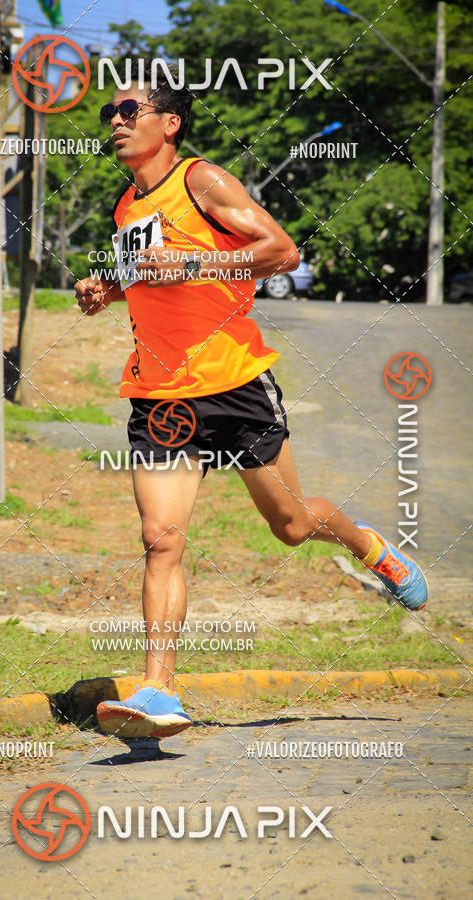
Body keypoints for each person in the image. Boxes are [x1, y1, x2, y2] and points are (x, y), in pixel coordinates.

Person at [74, 61, 428, 740]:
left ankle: (369, 545)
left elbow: (282, 252)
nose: (115, 121)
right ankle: (158, 691)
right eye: (109, 114)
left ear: (169, 123)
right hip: (161, 394)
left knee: (291, 525)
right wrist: (109, 290)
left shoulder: (202, 181)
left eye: (129, 110)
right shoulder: (125, 207)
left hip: (235, 383)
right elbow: (152, 278)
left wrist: (193, 264)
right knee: (160, 539)